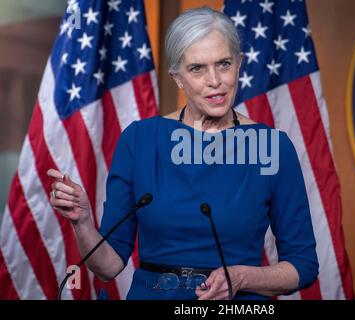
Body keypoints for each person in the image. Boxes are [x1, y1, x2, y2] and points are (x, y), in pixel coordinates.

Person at [47, 7, 318, 300]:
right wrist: (83, 222)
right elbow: (108, 266)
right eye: (197, 68)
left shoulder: (273, 147)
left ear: (239, 64)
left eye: (224, 64)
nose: (214, 80)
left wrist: (241, 278)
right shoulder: (140, 140)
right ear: (178, 78)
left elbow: (303, 265)